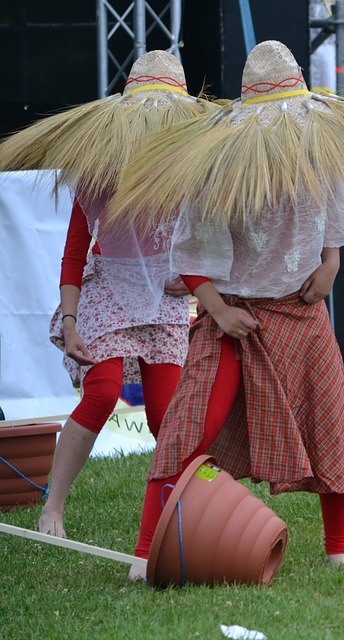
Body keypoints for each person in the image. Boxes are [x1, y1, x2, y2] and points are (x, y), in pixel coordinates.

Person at [108, 41, 344, 579]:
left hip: (300, 315)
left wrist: (331, 262)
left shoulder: (318, 148)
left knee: (332, 427)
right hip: (233, 319)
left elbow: (334, 226)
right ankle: (146, 554)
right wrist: (217, 311)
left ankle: (339, 550)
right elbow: (192, 251)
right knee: (189, 431)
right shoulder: (219, 165)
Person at [0, 51, 211, 537]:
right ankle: (53, 506)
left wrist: (195, 278)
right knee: (101, 393)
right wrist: (70, 322)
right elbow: (74, 253)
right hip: (108, 292)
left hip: (165, 301)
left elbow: (208, 242)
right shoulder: (99, 173)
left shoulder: (191, 172)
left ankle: (182, 513)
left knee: (165, 415)